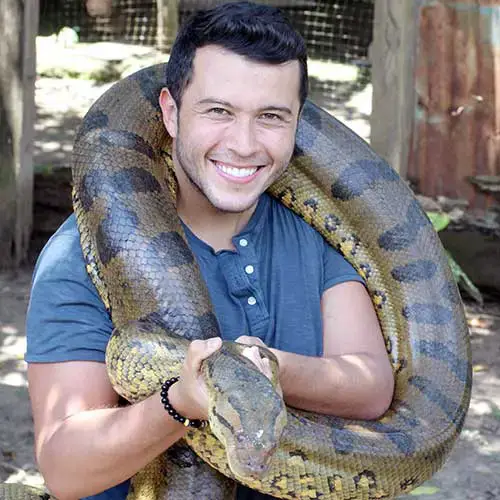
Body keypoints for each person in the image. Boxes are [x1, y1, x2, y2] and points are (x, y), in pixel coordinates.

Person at [25, 2, 395, 499]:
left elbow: (370, 387)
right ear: (171, 113)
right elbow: (66, 471)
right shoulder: (79, 254)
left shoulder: (316, 238)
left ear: (297, 123)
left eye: (271, 117)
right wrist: (180, 401)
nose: (243, 144)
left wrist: (261, 368)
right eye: (219, 111)